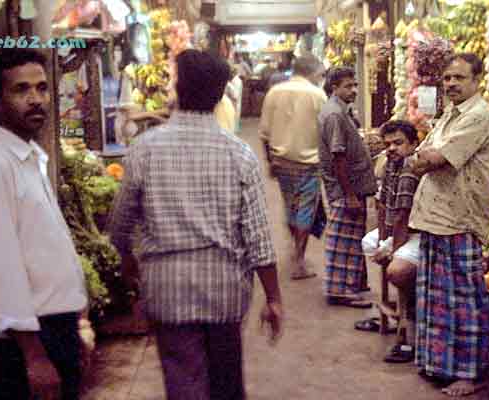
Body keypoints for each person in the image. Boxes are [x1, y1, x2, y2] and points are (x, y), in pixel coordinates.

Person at [108, 49, 283, 400]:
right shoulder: (239, 154)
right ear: (220, 95)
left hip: (167, 290)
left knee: (183, 382)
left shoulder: (144, 149)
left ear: (177, 87)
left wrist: (129, 265)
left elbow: (119, 226)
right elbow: (259, 238)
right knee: (226, 382)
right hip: (225, 290)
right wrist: (274, 297)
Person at [0, 49, 88, 400]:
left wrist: (75, 331)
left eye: (42, 88)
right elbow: (1, 268)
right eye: (21, 90)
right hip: (27, 341)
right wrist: (34, 357)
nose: (36, 100)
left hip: (55, 331)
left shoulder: (29, 160)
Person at [407, 53, 489, 397]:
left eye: (459, 78)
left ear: (477, 80)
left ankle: (468, 373)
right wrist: (424, 159)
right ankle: (439, 364)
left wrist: (425, 159)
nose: (451, 84)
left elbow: (432, 158)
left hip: (460, 220)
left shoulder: (478, 116)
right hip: (436, 218)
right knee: (436, 296)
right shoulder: (449, 114)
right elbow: (424, 154)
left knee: (465, 299)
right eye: (447, 78)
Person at [354, 120, 421, 363]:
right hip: (397, 231)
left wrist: (393, 248)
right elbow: (383, 207)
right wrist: (384, 240)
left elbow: (403, 217)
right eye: (388, 144)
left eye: (398, 143)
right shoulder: (391, 164)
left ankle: (409, 327)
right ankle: (388, 308)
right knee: (368, 243)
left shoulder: (409, 169)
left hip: (416, 233)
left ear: (413, 144)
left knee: (398, 270)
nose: (392, 148)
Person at [260, 54, 327, 280]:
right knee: (305, 210)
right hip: (309, 163)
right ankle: (299, 259)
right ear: (311, 72)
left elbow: (264, 134)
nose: (321, 78)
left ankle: (296, 251)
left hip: (282, 162)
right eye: (320, 74)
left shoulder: (274, 92)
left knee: (291, 207)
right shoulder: (318, 94)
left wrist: (269, 161)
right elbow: (326, 131)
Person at [318, 67, 377, 308]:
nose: (354, 90)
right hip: (345, 190)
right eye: (348, 86)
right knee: (342, 240)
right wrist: (349, 194)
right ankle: (340, 290)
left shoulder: (342, 111)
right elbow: (338, 157)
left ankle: (353, 283)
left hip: (351, 188)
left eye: (355, 85)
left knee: (352, 237)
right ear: (334, 87)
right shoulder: (334, 114)